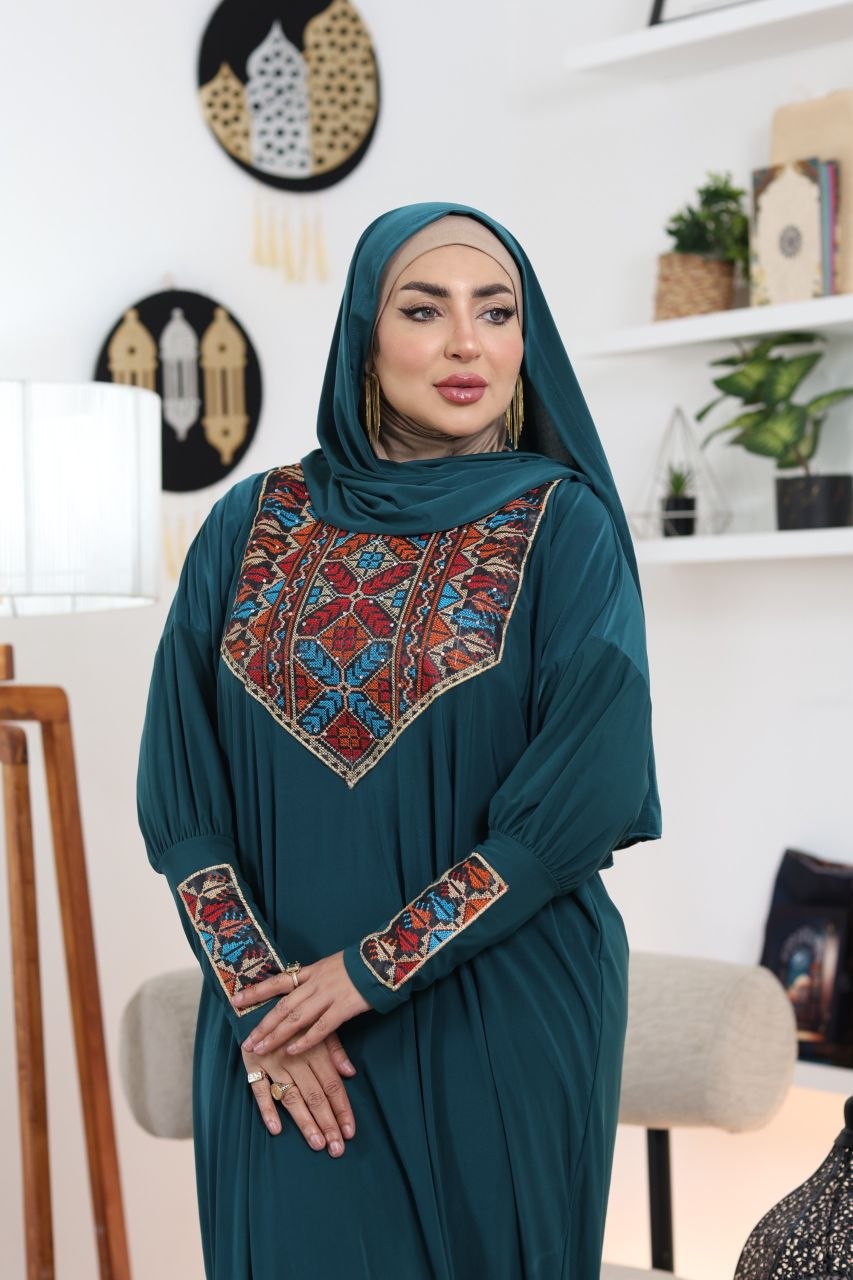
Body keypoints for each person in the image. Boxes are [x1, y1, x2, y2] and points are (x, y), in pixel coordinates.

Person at [137, 200, 662, 1279]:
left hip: (498, 1017)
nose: (468, 343)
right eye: (424, 310)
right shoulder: (248, 523)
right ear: (364, 337)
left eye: (497, 312)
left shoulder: (564, 527)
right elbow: (180, 794)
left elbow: (577, 800)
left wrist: (371, 970)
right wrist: (267, 1003)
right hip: (285, 1030)